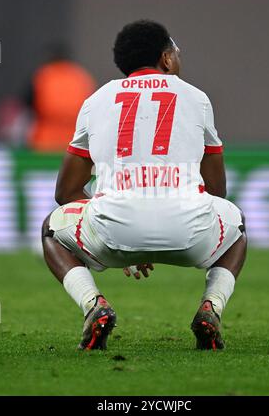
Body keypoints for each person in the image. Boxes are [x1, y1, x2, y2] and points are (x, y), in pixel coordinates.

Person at [42, 20, 247, 351]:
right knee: (236, 221)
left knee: (51, 229)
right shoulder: (197, 98)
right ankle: (211, 307)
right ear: (166, 59)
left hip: (114, 233)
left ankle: (94, 305)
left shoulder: (96, 100)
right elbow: (216, 189)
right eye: (176, 52)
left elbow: (65, 193)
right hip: (189, 231)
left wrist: (129, 232)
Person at [27, 44, 96, 151]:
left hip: (45, 140)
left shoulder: (43, 75)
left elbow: (28, 102)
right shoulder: (81, 77)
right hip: (76, 140)